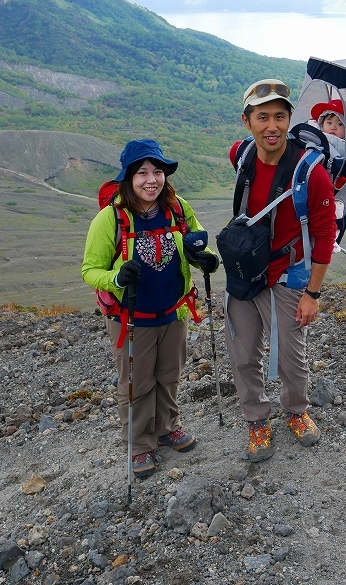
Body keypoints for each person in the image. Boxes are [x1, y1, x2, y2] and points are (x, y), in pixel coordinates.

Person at [82, 139, 219, 478]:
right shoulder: (109, 219)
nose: (151, 180)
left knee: (168, 375)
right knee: (135, 382)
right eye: (141, 173)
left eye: (157, 171)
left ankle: (166, 427)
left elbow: (196, 236)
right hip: (132, 318)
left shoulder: (177, 206)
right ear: (128, 177)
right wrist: (116, 277)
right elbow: (89, 270)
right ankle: (140, 444)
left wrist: (202, 257)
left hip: (174, 311)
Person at [224, 79, 338, 462]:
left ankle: (296, 410)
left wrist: (313, 294)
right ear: (247, 121)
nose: (271, 126)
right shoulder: (241, 157)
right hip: (245, 273)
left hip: (287, 277)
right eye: (262, 117)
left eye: (279, 116)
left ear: (290, 119)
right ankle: (257, 419)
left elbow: (325, 236)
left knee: (290, 355)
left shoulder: (310, 174)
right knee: (242, 353)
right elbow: (235, 156)